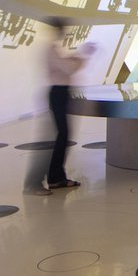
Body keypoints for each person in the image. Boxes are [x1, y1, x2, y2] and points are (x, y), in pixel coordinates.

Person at [38, 19, 99, 194]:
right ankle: (55, 177)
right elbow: (69, 69)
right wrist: (82, 55)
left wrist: (77, 58)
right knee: (62, 135)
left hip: (60, 94)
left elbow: (67, 66)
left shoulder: (54, 49)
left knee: (63, 135)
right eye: (61, 28)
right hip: (58, 94)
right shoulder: (52, 49)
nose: (63, 31)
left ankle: (57, 177)